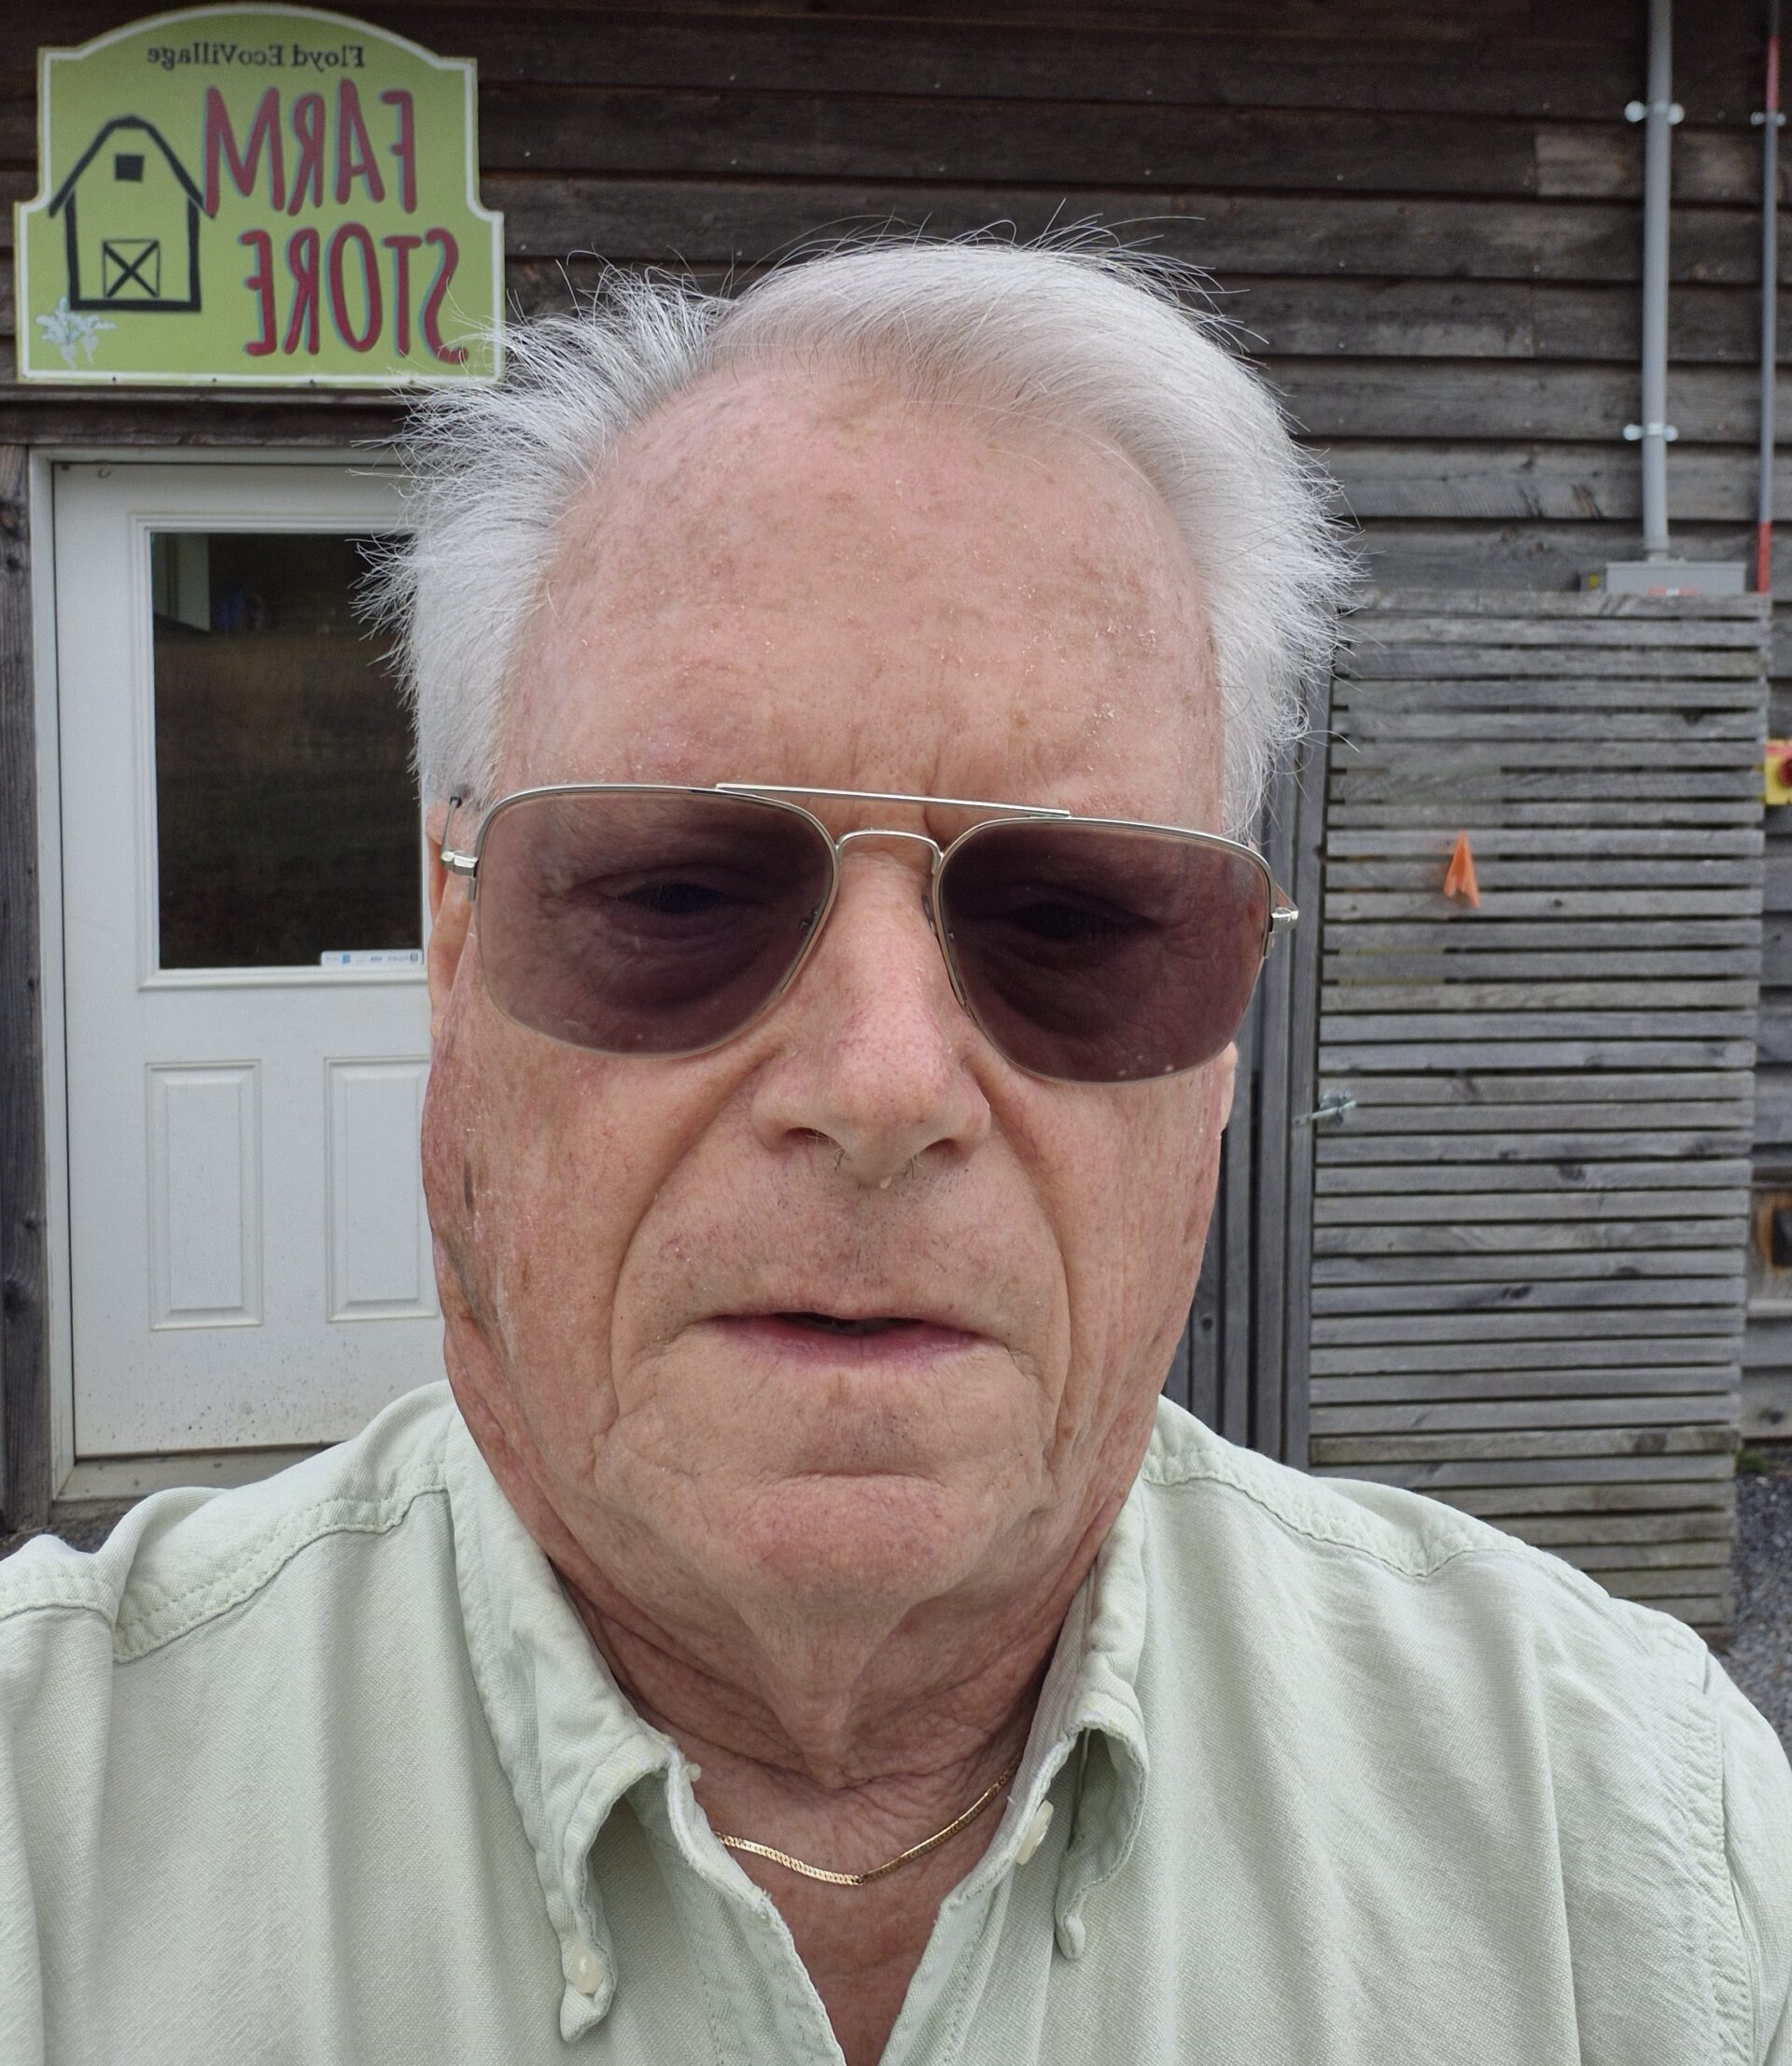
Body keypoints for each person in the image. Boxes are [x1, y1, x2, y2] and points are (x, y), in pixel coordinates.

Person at [2, 239, 1787, 2066]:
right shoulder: (44, 1844)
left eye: (1076, 924)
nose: (880, 1080)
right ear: (456, 954)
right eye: (680, 889)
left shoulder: (1627, 1859)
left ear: (1227, 1042)